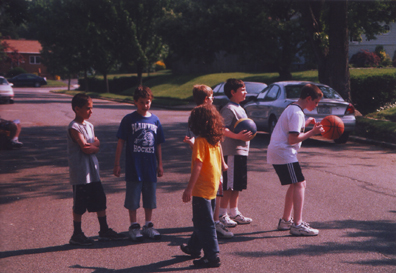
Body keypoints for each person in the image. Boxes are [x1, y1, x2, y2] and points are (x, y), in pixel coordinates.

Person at [67, 93, 125, 246]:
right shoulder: (74, 127)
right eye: (88, 108)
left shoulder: (89, 126)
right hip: (80, 172)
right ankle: (76, 234)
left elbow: (95, 143)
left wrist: (94, 146)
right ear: (77, 109)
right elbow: (86, 147)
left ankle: (104, 230)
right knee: (79, 204)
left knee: (100, 200)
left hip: (93, 171)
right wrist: (95, 147)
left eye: (92, 108)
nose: (91, 111)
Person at [267, 84, 324, 236]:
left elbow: (292, 130)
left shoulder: (293, 108)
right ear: (308, 98)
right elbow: (293, 139)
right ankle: (297, 224)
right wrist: (313, 132)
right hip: (284, 151)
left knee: (296, 184)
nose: (316, 105)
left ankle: (286, 220)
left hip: (280, 151)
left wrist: (307, 123)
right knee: (300, 184)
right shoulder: (297, 112)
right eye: (316, 102)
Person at [114, 86, 165, 241]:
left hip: (149, 167)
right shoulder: (129, 119)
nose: (145, 105)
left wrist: (160, 164)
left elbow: (158, 144)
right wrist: (117, 163)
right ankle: (134, 225)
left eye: (148, 102)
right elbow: (121, 142)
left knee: (150, 198)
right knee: (133, 198)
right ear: (135, 102)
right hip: (134, 167)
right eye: (142, 102)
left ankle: (148, 225)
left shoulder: (155, 120)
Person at [183, 85, 233, 239]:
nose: (213, 99)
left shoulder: (209, 115)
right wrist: (192, 144)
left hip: (215, 166)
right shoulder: (199, 116)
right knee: (206, 207)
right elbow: (199, 143)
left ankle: (209, 228)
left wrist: (222, 163)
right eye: (212, 96)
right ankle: (213, 227)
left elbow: (217, 143)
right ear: (206, 99)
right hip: (208, 169)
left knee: (212, 200)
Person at [180, 104, 224, 268]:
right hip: (212, 186)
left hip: (201, 188)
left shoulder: (200, 140)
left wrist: (189, 188)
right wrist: (219, 179)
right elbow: (217, 162)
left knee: (204, 222)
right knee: (203, 219)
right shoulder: (214, 140)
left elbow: (198, 164)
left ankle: (212, 256)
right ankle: (193, 247)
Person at [219, 79, 253, 228]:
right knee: (228, 185)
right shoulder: (228, 109)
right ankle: (222, 214)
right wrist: (238, 136)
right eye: (243, 90)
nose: (246, 92)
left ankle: (234, 212)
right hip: (231, 152)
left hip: (241, 151)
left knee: (237, 185)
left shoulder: (240, 108)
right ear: (233, 92)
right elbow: (222, 129)